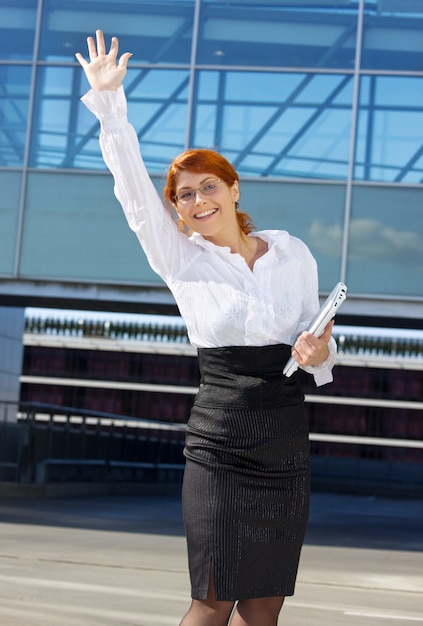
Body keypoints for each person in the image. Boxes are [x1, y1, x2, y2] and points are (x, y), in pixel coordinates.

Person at [76, 30, 337, 626]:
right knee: (212, 598)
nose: (196, 202)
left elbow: (318, 349)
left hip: (284, 439)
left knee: (265, 601)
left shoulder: (291, 252)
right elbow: (133, 194)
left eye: (208, 187)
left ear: (234, 189)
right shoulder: (181, 259)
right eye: (184, 195)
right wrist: (111, 106)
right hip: (220, 439)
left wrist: (319, 349)